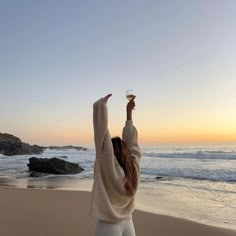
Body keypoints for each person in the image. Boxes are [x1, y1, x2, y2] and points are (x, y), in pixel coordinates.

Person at [90, 93, 141, 236]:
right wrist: (129, 113)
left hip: (108, 226)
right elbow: (134, 146)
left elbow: (101, 135)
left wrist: (101, 106)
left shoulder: (108, 167)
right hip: (128, 223)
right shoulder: (133, 171)